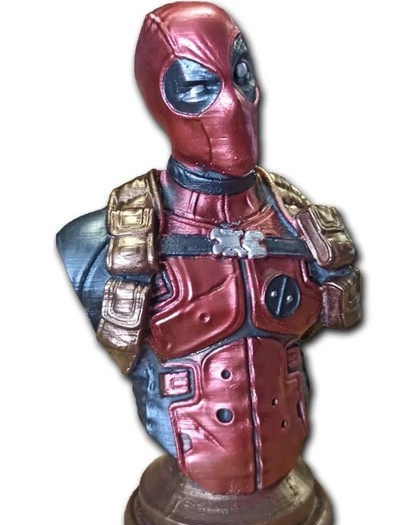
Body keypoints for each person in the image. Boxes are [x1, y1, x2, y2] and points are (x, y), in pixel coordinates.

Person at [57, 1, 360, 496]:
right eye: (198, 87)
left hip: (287, 449)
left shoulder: (304, 226)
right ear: (158, 101)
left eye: (241, 76)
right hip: (184, 446)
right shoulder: (100, 243)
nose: (232, 105)